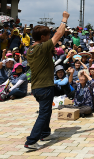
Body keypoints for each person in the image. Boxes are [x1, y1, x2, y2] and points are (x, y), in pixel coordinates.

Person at [24, 11, 70, 150]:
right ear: (42, 37)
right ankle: (31, 141)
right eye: (48, 35)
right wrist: (64, 19)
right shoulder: (42, 47)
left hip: (36, 87)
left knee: (46, 110)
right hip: (44, 87)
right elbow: (58, 34)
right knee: (43, 114)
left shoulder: (30, 49)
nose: (50, 37)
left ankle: (45, 133)